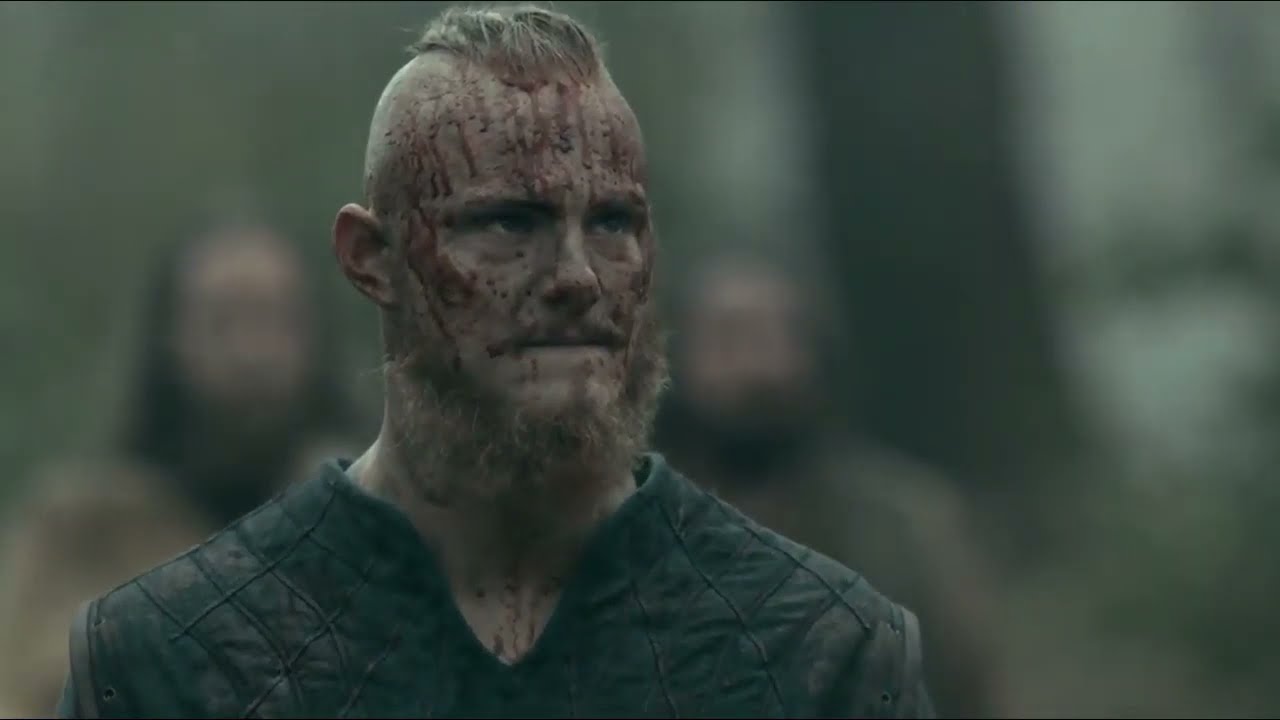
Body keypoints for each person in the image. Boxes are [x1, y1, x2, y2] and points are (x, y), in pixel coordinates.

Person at [54, 7, 934, 718]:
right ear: (372, 259)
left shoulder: (822, 652)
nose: (577, 277)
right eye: (510, 221)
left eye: (614, 222)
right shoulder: (171, 662)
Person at [0, 212, 362, 716]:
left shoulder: (367, 521)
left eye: (276, 320)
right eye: (222, 322)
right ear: (169, 336)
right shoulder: (81, 528)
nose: (252, 353)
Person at [656, 254, 1009, 718]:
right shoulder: (635, 536)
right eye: (726, 341)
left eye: (772, 339)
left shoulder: (905, 520)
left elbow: (970, 688)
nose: (754, 370)